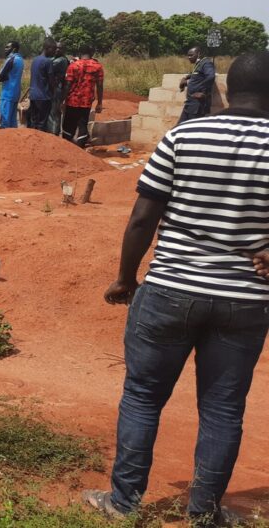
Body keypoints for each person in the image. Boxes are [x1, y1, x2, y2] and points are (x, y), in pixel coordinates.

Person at [84, 51, 269, 528]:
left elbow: (143, 217)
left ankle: (124, 504)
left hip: (169, 288)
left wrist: (126, 278)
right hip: (245, 299)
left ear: (226, 85)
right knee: (224, 408)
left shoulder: (185, 135)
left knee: (143, 395)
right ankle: (205, 512)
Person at [63, 45, 105, 147]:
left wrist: (62, 100)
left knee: (68, 125)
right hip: (86, 102)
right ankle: (80, 150)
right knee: (82, 125)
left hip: (72, 101)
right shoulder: (98, 67)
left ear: (79, 53)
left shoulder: (73, 66)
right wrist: (99, 103)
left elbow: (68, 84)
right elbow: (99, 86)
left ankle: (66, 147)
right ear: (92, 53)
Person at [179, 47, 217, 122]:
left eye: (191, 55)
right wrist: (186, 78)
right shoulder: (199, 64)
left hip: (197, 104)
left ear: (198, 54)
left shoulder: (206, 63)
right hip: (190, 103)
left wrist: (203, 92)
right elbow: (196, 74)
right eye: (188, 55)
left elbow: (211, 76)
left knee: (191, 128)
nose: (189, 57)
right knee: (181, 126)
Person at [25, 39, 55, 132]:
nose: (54, 52)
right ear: (48, 48)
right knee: (42, 124)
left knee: (34, 122)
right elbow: (51, 81)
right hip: (44, 97)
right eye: (53, 49)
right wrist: (53, 93)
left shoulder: (35, 60)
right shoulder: (48, 61)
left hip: (33, 96)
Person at [0, 41, 25, 128]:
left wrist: (3, 77)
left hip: (7, 93)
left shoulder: (11, 59)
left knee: (4, 120)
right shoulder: (21, 60)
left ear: (14, 49)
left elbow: (0, 76)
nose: (5, 49)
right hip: (16, 93)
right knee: (13, 121)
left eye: (7, 47)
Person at [47, 41, 70, 136]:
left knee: (54, 112)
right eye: (56, 47)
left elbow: (48, 65)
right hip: (55, 87)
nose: (57, 49)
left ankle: (54, 133)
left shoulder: (61, 60)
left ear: (63, 50)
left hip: (57, 88)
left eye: (59, 48)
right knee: (52, 112)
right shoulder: (56, 58)